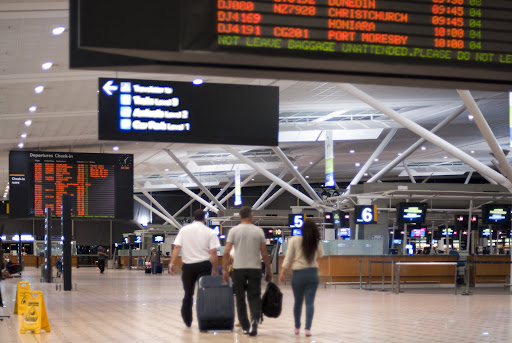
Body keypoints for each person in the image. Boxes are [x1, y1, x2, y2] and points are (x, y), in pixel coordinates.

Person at [223, 206, 272, 336]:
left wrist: (224, 271)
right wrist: (268, 269)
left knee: (240, 298)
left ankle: (245, 326)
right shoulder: (258, 231)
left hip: (238, 269)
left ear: (240, 217)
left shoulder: (233, 231)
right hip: (255, 269)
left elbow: (227, 251)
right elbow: (264, 253)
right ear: (251, 216)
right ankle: (255, 320)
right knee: (254, 296)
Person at [169, 209, 220, 328]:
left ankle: (187, 320)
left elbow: (177, 247)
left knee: (188, 293)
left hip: (188, 266)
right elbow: (213, 252)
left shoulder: (184, 230)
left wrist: (171, 263)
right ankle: (204, 319)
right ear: (204, 218)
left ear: (193, 217)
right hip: (204, 265)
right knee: (204, 293)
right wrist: (215, 269)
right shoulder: (210, 232)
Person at [279, 218, 324, 337]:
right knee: (310, 303)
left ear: (302, 229)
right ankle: (308, 329)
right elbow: (321, 255)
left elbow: (288, 258)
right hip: (312, 274)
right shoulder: (316, 241)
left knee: (298, 302)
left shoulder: (294, 240)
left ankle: (297, 327)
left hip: (298, 274)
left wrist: (282, 272)